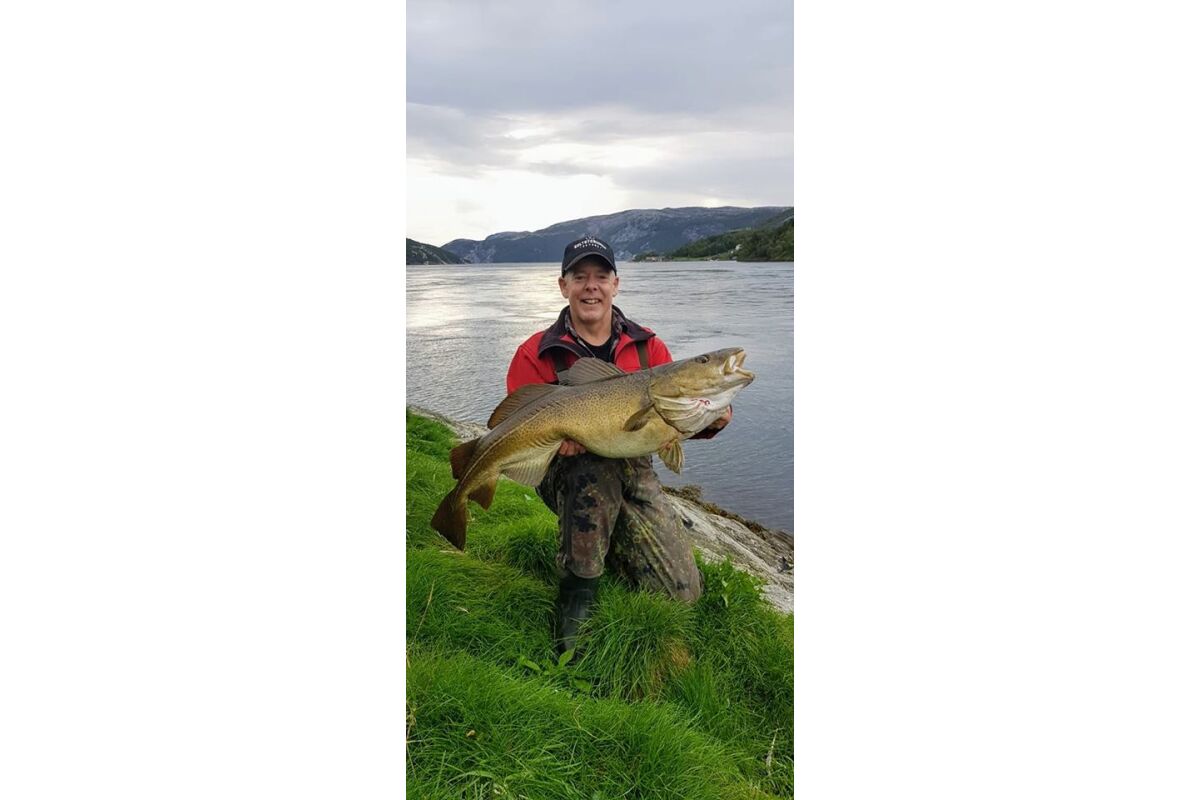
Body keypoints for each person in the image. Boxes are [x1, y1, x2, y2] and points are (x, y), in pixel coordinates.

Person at [506, 235, 734, 653]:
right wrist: (555, 447)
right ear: (563, 286)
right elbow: (516, 423)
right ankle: (578, 589)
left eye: (600, 276)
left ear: (616, 284)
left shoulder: (650, 348)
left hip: (632, 468)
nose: (590, 286)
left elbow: (670, 422)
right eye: (580, 277)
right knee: (591, 467)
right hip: (566, 471)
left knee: (681, 593)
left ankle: (607, 544)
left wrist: (711, 419)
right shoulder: (535, 353)